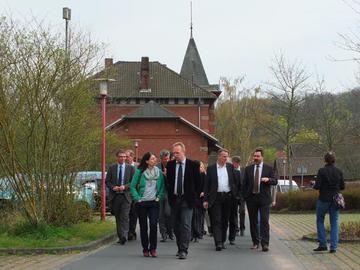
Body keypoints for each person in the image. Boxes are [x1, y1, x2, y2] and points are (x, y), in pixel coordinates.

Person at [166, 142, 201, 259]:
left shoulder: (193, 165)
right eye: (174, 153)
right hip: (175, 199)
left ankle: (183, 250)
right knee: (175, 225)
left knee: (186, 225)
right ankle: (179, 246)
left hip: (187, 200)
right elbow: (169, 183)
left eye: (177, 152)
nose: (175, 155)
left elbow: (198, 183)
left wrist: (194, 197)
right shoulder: (170, 165)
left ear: (184, 151)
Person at [242, 148, 277, 252]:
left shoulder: (269, 168)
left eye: (258, 156)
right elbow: (244, 184)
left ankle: (265, 243)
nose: (255, 158)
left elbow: (275, 181)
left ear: (262, 157)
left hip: (264, 198)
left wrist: (268, 180)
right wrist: (244, 196)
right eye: (254, 156)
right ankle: (255, 242)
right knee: (253, 222)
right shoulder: (248, 169)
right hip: (251, 198)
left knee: (264, 221)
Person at [130, 152, 165, 257]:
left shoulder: (159, 172)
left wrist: (159, 197)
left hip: (154, 202)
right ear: (147, 161)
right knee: (143, 227)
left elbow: (162, 187)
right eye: (153, 158)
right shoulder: (139, 172)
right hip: (142, 203)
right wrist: (137, 199)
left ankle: (153, 249)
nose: (155, 160)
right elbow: (132, 186)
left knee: (154, 225)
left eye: (155, 158)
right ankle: (145, 248)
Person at [203, 149, 238, 251]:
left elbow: (234, 182)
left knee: (225, 220)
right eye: (223, 156)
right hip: (216, 197)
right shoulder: (211, 169)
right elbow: (207, 185)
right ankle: (218, 242)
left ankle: (222, 241)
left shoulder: (230, 167)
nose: (225, 158)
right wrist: (205, 199)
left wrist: (235, 194)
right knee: (216, 220)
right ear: (218, 156)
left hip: (228, 197)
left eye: (227, 156)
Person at [313, 152, 345, 253]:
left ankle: (322, 244)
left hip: (323, 199)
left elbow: (317, 186)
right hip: (335, 200)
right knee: (334, 223)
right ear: (334, 160)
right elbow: (342, 186)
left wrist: (314, 184)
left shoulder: (321, 171)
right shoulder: (339, 171)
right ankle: (333, 247)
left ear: (325, 160)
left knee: (320, 220)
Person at [106, 149, 136, 245]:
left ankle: (124, 235)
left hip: (126, 196)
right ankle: (120, 236)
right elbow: (107, 181)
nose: (123, 158)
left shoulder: (130, 168)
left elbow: (133, 182)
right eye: (121, 156)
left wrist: (125, 186)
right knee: (118, 216)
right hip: (115, 196)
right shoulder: (112, 168)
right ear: (117, 157)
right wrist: (113, 187)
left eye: (124, 157)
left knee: (125, 216)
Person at [157, 149, 174, 242]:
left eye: (167, 158)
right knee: (160, 215)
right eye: (164, 159)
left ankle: (170, 231)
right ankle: (163, 234)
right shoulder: (157, 167)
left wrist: (167, 176)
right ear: (161, 159)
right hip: (159, 193)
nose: (166, 161)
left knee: (168, 213)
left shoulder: (173, 167)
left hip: (169, 193)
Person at [228, 156, 243, 244]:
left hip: (234, 199)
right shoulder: (225, 171)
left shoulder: (237, 173)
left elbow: (240, 187)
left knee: (233, 218)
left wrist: (238, 197)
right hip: (224, 198)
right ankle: (221, 239)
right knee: (224, 218)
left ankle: (232, 237)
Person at [191, 161, 207, 242]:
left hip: (201, 199)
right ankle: (193, 233)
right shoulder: (193, 176)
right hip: (194, 198)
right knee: (194, 216)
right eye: (198, 167)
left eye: (201, 167)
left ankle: (199, 232)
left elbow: (206, 186)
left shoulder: (204, 175)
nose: (200, 169)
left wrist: (204, 192)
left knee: (200, 216)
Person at [126, 149, 138, 241]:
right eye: (125, 156)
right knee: (125, 214)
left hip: (135, 194)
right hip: (125, 194)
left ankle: (132, 231)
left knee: (133, 214)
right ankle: (126, 231)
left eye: (127, 156)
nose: (126, 158)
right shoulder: (123, 167)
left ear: (132, 157)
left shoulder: (137, 167)